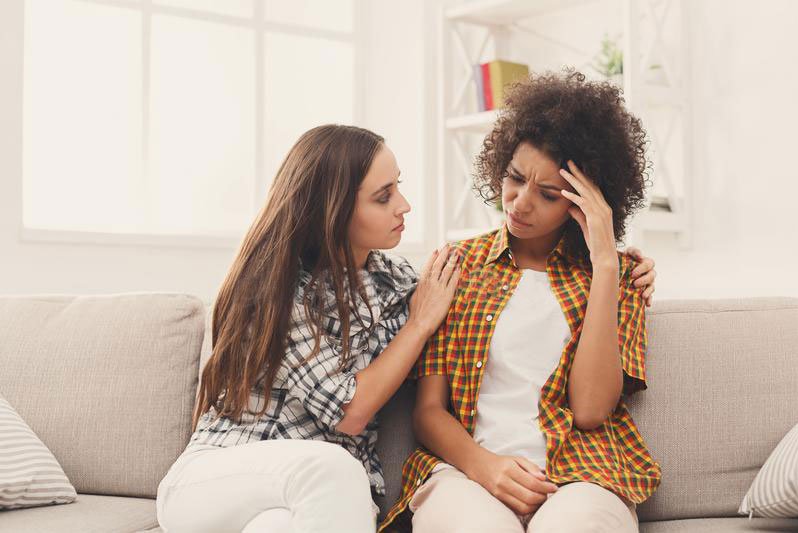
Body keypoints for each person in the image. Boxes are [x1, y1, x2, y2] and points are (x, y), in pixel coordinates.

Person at [156, 122, 657, 533]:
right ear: (332, 210)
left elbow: (590, 405)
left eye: (400, 187)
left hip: (313, 497)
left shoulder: (396, 280)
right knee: (335, 470)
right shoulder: (281, 288)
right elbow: (353, 411)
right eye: (383, 196)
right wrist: (420, 324)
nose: (405, 206)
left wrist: (611, 267)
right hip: (227, 474)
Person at [381, 69, 661, 533]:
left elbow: (592, 410)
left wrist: (607, 266)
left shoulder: (620, 277)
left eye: (548, 194)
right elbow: (429, 412)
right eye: (514, 178)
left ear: (585, 203)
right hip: (467, 474)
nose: (520, 203)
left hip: (582, 477)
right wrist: (486, 467)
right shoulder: (459, 267)